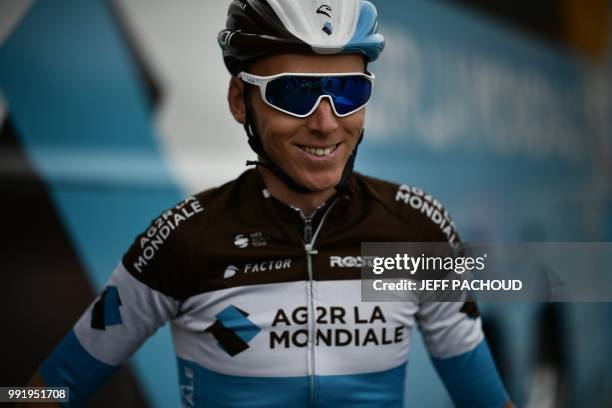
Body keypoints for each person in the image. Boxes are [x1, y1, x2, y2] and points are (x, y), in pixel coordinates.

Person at [28, 1, 512, 406]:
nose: (326, 123)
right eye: (295, 93)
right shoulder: (187, 238)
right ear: (241, 101)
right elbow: (53, 389)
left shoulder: (414, 230)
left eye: (347, 92)